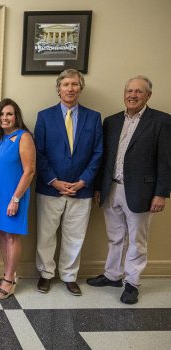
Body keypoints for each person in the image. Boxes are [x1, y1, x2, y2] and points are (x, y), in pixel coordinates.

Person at [87, 76, 171, 304]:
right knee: (115, 236)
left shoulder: (162, 121)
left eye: (138, 92)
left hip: (141, 192)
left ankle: (132, 282)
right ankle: (113, 275)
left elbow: (166, 161)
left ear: (148, 96)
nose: (132, 95)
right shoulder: (111, 121)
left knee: (137, 240)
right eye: (129, 91)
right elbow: (104, 159)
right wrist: (98, 188)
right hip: (111, 187)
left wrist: (161, 193)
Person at [34, 69, 103, 296]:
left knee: (75, 236)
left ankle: (69, 275)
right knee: (46, 234)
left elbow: (98, 152)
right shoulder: (44, 116)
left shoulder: (93, 117)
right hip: (50, 188)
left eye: (75, 84)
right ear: (58, 89)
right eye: (66, 85)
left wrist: (83, 181)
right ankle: (46, 274)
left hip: (81, 190)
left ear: (80, 88)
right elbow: (39, 153)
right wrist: (54, 181)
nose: (70, 89)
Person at [0, 98, 35, 299]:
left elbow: (29, 171)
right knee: (2, 235)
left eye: (9, 114)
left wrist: (15, 199)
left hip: (14, 196)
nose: (5, 118)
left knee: (12, 235)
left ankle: (9, 279)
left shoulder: (24, 137)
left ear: (16, 117)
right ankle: (8, 274)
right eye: (2, 114)